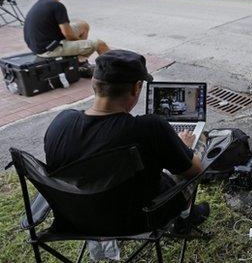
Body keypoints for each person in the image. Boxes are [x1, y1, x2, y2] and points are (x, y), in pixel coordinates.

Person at [44, 50, 207, 238]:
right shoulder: (149, 128)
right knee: (196, 147)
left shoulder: (60, 124)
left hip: (79, 220)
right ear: (136, 88)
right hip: (141, 219)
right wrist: (184, 146)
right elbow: (194, 171)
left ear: (94, 84)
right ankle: (185, 218)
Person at [23, 0, 109, 77]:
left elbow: (65, 30)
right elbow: (67, 34)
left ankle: (80, 62)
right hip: (49, 49)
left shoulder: (40, 3)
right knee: (99, 44)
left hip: (39, 45)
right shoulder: (57, 6)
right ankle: (113, 72)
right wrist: (80, 44)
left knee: (83, 25)